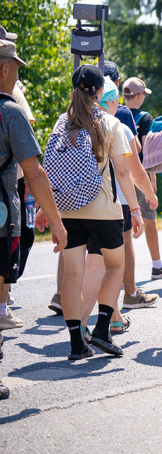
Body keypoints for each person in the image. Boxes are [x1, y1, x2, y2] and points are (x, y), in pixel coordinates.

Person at [50, 65, 144, 359]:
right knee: (115, 265)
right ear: (101, 91)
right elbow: (124, 174)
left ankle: (77, 342)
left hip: (67, 208)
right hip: (103, 209)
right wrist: (137, 210)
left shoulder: (61, 122)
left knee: (73, 275)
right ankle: (103, 327)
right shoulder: (109, 123)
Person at [0, 37, 67, 399]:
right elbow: (35, 173)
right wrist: (56, 221)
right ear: (4, 69)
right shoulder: (9, 112)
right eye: (16, 71)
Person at [78, 78, 157, 336]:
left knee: (94, 264)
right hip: (115, 205)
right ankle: (95, 325)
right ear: (110, 101)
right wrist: (147, 198)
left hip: (84, 203)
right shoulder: (117, 127)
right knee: (113, 267)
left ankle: (112, 319)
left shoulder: (78, 124)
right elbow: (132, 172)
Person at [123, 77, 162, 278]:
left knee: (123, 224)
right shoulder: (145, 118)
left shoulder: (116, 113)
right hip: (138, 172)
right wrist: (152, 179)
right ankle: (157, 264)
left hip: (119, 174)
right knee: (149, 220)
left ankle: (120, 269)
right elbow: (147, 151)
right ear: (140, 96)